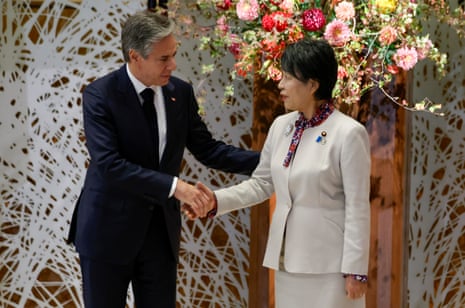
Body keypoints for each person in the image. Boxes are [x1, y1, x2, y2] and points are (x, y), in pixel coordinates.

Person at [66, 10, 259, 308]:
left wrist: (269, 161)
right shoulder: (100, 95)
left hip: (159, 235)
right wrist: (176, 187)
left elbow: (208, 149)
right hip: (107, 231)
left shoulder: (179, 93)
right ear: (135, 56)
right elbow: (109, 165)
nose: (173, 64)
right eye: (163, 58)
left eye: (174, 54)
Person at [189, 38, 371, 307]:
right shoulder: (281, 126)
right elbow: (261, 184)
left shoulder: (349, 133)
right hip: (287, 259)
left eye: (288, 78)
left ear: (312, 84)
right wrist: (217, 201)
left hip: (330, 266)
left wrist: (356, 269)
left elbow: (358, 207)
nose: (280, 85)